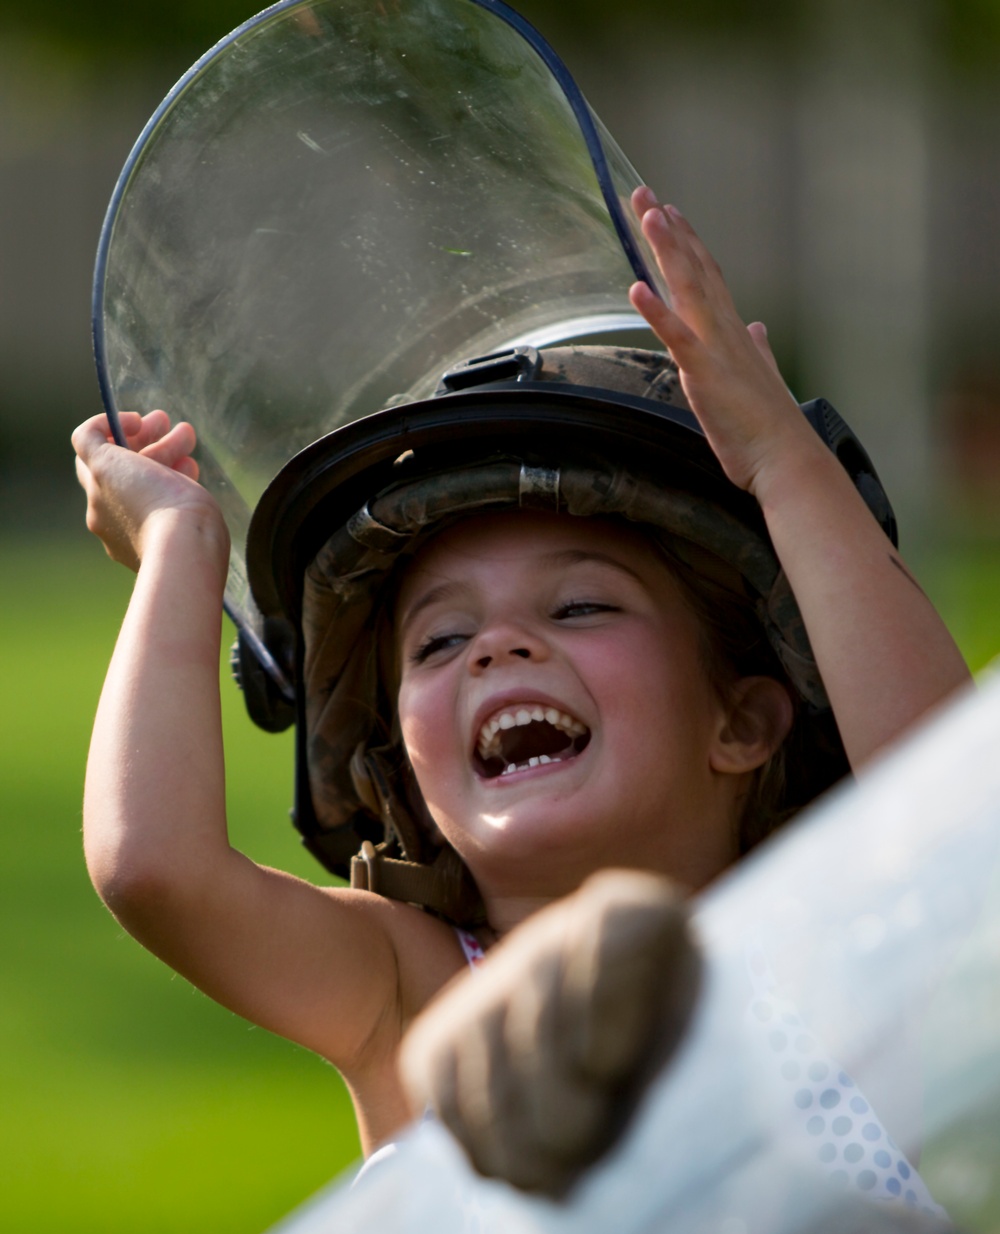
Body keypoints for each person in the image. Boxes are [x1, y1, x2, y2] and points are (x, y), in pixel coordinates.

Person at [73, 189, 969, 1179]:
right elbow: (156, 869)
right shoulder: (408, 993)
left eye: (579, 606)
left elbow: (947, 793)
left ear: (745, 721)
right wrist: (179, 541)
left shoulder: (845, 945)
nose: (496, 648)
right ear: (405, 767)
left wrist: (781, 460)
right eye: (440, 641)